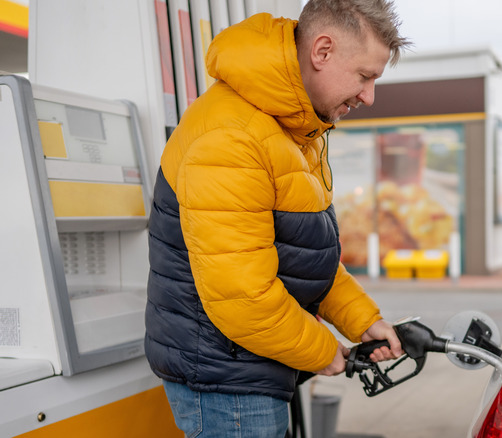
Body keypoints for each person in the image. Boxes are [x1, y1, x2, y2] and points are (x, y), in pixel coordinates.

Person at [143, 1, 411, 436]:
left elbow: (302, 255)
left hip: (249, 369)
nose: (369, 96)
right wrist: (327, 351)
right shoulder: (231, 137)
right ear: (321, 51)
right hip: (225, 381)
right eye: (365, 76)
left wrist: (362, 320)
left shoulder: (290, 129)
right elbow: (244, 298)